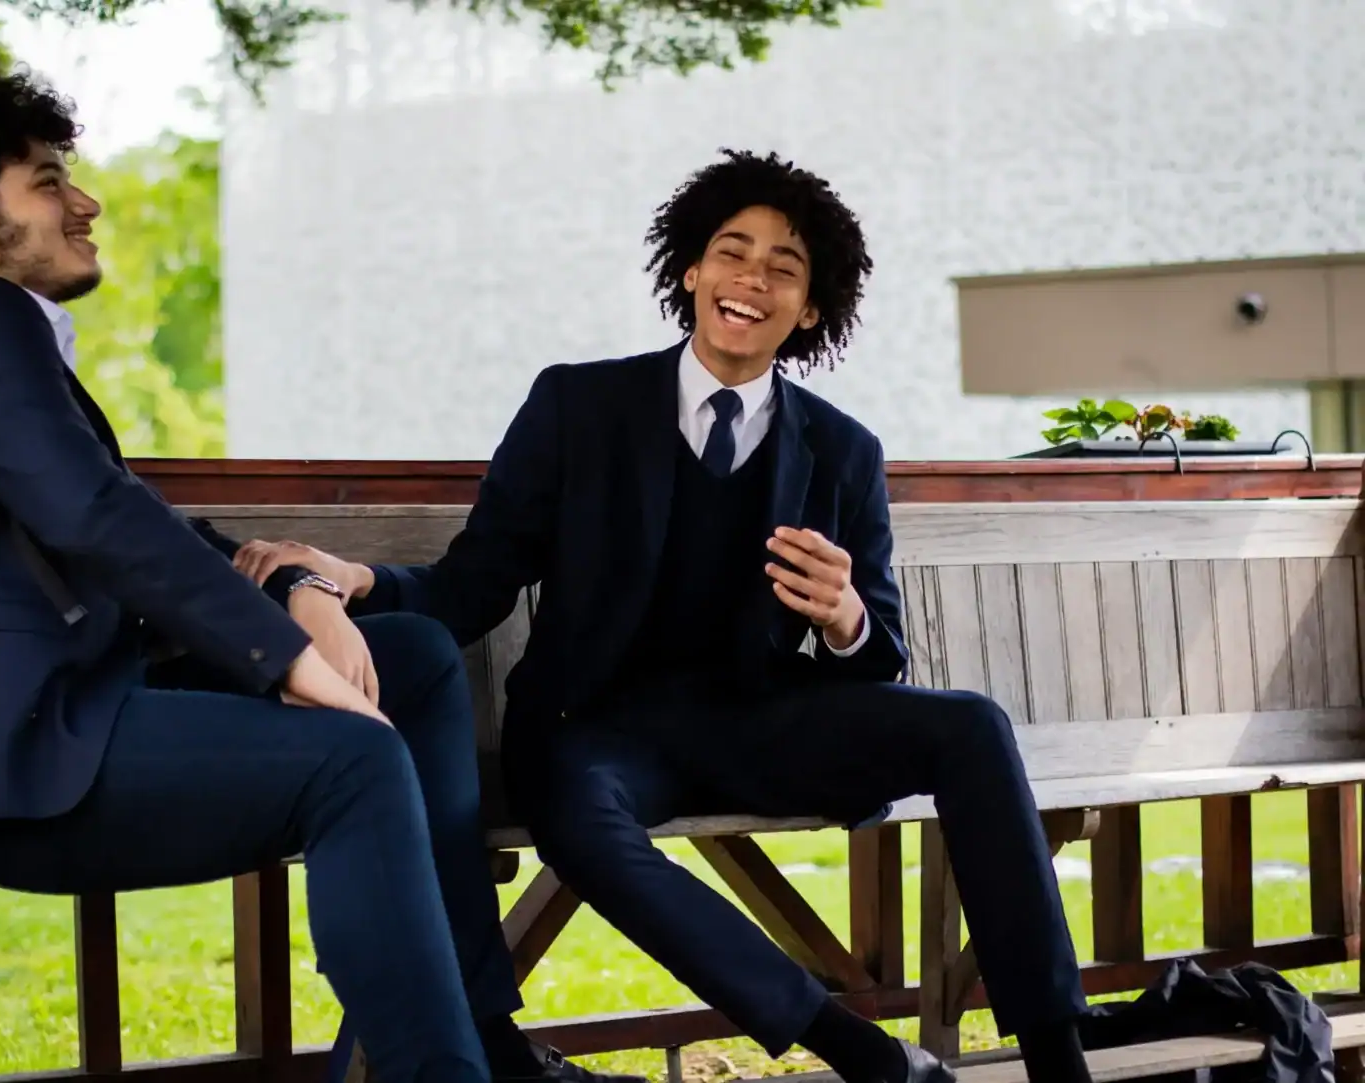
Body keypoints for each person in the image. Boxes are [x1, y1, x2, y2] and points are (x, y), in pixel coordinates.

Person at [236, 150, 1094, 1083]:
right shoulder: (578, 404)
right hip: (593, 730)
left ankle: (1058, 1054)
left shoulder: (843, 450)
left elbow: (877, 653)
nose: (751, 280)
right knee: (581, 818)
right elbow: (474, 583)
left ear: (809, 310)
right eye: (732, 252)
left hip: (758, 721)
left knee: (970, 724)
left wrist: (845, 616)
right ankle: (859, 1049)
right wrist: (354, 578)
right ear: (690, 270)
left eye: (783, 268)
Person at [0, 69, 634, 1083]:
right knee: (352, 762)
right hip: (9, 762)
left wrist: (298, 587)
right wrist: (286, 659)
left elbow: (123, 516)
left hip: (76, 711)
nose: (85, 202)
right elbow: (99, 517)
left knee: (413, 651)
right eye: (49, 182)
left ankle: (479, 1036)